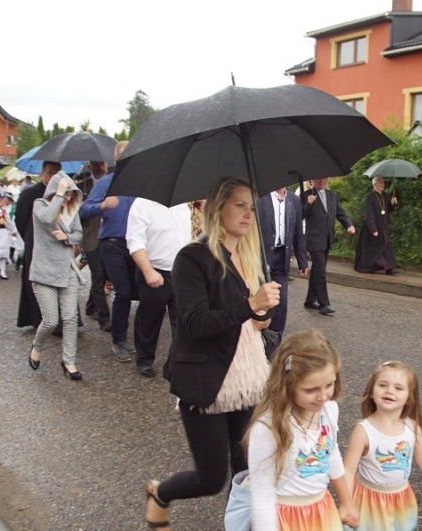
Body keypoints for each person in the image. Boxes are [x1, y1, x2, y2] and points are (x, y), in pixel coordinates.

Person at [143, 177, 281, 530]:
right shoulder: (193, 257)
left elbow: (249, 317)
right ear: (218, 208)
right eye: (239, 205)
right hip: (207, 379)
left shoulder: (249, 255)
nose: (248, 214)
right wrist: (249, 304)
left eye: (252, 207)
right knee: (211, 478)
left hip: (248, 376)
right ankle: (160, 494)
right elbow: (194, 324)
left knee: (248, 471)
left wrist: (260, 316)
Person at [246, 329, 359, 530]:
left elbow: (331, 454)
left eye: (329, 385)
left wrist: (347, 503)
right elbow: (262, 495)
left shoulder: (329, 410)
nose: (322, 396)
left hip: (322, 510)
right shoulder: (267, 428)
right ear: (286, 385)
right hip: (285, 518)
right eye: (311, 390)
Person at [344, 360, 422, 530]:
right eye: (382, 385)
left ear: (408, 398)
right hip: (368, 501)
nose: (389, 391)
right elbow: (348, 470)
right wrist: (347, 504)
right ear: (371, 392)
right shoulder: (363, 431)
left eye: (398, 388)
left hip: (400, 499)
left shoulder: (411, 427)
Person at [80, 143, 138, 360]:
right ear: (115, 158)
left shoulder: (141, 183)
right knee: (123, 291)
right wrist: (102, 205)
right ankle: (118, 339)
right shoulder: (106, 183)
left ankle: (139, 340)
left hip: (136, 244)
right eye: (124, 156)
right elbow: (84, 209)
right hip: (111, 243)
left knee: (139, 292)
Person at [126, 198, 194, 378]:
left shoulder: (181, 204)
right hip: (154, 271)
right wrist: (148, 271)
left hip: (180, 271)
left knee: (182, 320)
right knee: (149, 319)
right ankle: (144, 359)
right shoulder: (142, 205)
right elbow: (135, 242)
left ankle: (177, 361)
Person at [27, 172, 84, 381]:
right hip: (43, 272)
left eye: (70, 194)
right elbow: (46, 218)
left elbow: (79, 234)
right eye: (65, 193)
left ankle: (69, 361)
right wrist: (59, 195)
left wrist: (67, 237)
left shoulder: (70, 210)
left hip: (67, 270)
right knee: (51, 321)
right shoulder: (39, 205)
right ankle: (37, 345)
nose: (68, 198)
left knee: (70, 318)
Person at [256, 187, 309, 340]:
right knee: (260, 298)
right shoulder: (260, 197)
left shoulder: (294, 200)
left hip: (282, 257)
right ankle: (258, 336)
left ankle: (275, 339)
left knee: (280, 301)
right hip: (260, 257)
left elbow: (297, 232)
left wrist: (302, 261)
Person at [14, 162, 62, 328]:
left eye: (56, 174)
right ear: (42, 173)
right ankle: (36, 318)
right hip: (35, 243)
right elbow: (20, 219)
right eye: (50, 173)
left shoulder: (63, 194)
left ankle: (60, 321)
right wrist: (29, 238)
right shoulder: (30, 194)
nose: (53, 177)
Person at [301, 177, 355, 315]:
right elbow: (300, 215)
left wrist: (348, 224)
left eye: (324, 179)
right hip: (314, 240)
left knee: (317, 270)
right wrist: (309, 204)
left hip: (327, 239)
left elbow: (340, 212)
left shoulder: (333, 195)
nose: (321, 181)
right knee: (320, 271)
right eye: (318, 179)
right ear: (313, 181)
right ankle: (324, 303)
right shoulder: (306, 195)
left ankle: (310, 300)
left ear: (327, 180)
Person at [77, 160, 111, 333]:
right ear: (89, 165)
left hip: (108, 236)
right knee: (98, 276)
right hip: (91, 237)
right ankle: (104, 318)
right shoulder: (81, 186)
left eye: (101, 164)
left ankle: (91, 306)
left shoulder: (113, 183)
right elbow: (77, 213)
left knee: (103, 275)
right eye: (95, 164)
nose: (99, 167)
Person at [354, 175, 398, 275]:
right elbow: (369, 214)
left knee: (385, 248)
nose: (383, 184)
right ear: (375, 184)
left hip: (382, 228)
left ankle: (389, 269)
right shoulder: (370, 197)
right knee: (373, 251)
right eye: (380, 182)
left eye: (383, 182)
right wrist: (373, 229)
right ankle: (369, 267)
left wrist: (392, 203)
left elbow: (386, 210)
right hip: (372, 229)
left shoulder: (384, 195)